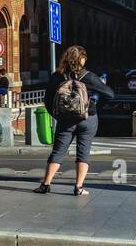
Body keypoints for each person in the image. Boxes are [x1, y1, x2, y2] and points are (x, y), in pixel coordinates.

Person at [36, 44, 114, 196]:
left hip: (65, 120)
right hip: (87, 118)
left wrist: (57, 115)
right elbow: (110, 94)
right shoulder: (90, 76)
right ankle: (78, 187)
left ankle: (45, 184)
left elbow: (47, 100)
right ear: (82, 60)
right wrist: (94, 106)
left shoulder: (57, 76)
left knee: (58, 151)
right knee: (83, 152)